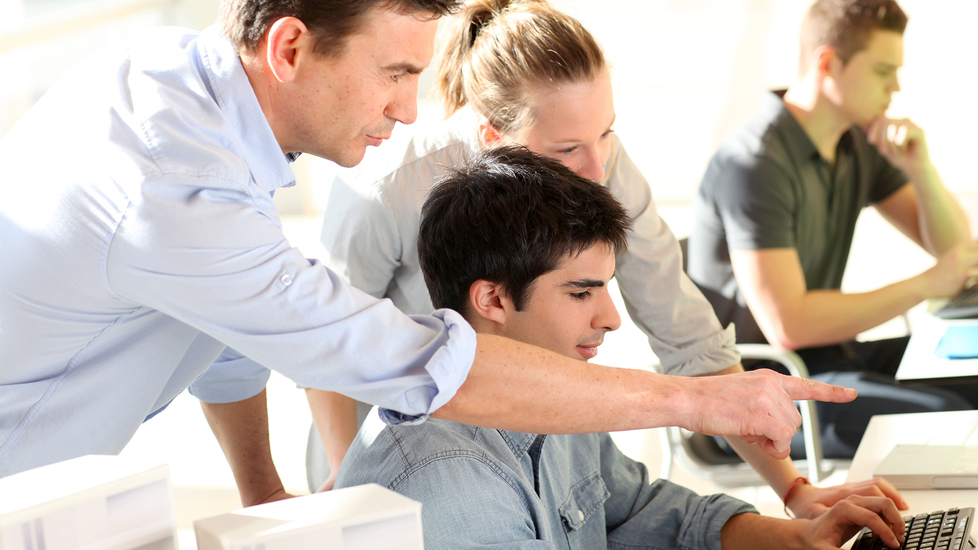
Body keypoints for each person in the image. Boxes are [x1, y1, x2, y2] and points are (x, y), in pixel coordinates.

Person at [0, 0, 850, 495]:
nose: (411, 107)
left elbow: (224, 339)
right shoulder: (178, 180)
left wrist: (267, 502)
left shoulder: (191, 97)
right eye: (396, 75)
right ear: (289, 47)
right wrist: (699, 405)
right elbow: (399, 358)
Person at [298, 0, 900, 519]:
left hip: (523, 429)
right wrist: (352, 487)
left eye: (606, 133)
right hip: (383, 452)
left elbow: (689, 338)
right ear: (491, 136)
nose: (595, 169)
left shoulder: (603, 160)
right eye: (566, 148)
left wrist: (794, 491)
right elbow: (325, 342)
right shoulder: (389, 188)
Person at [335, 146, 907, 549]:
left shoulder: (564, 401)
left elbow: (647, 514)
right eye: (581, 292)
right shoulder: (442, 473)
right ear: (493, 299)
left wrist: (801, 538)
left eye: (605, 288)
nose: (610, 319)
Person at [688, 0, 978, 458]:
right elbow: (789, 324)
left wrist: (920, 170)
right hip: (763, 388)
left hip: (833, 357)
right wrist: (926, 285)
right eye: (884, 71)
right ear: (828, 63)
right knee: (947, 414)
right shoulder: (755, 162)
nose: (896, 87)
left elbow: (957, 250)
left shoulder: (854, 142)